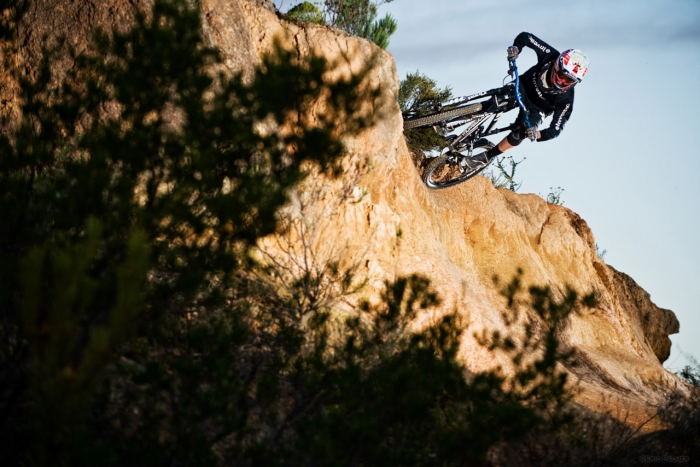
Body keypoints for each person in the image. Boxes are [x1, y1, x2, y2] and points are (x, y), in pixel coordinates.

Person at [464, 32, 589, 169]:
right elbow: (526, 37)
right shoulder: (550, 55)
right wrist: (516, 49)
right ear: (557, 64)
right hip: (522, 86)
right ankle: (459, 118)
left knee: (521, 132)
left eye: (569, 80)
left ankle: (486, 157)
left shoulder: (566, 100)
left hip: (537, 109)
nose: (562, 80)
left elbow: (556, 129)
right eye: (562, 74)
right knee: (496, 101)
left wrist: (537, 134)